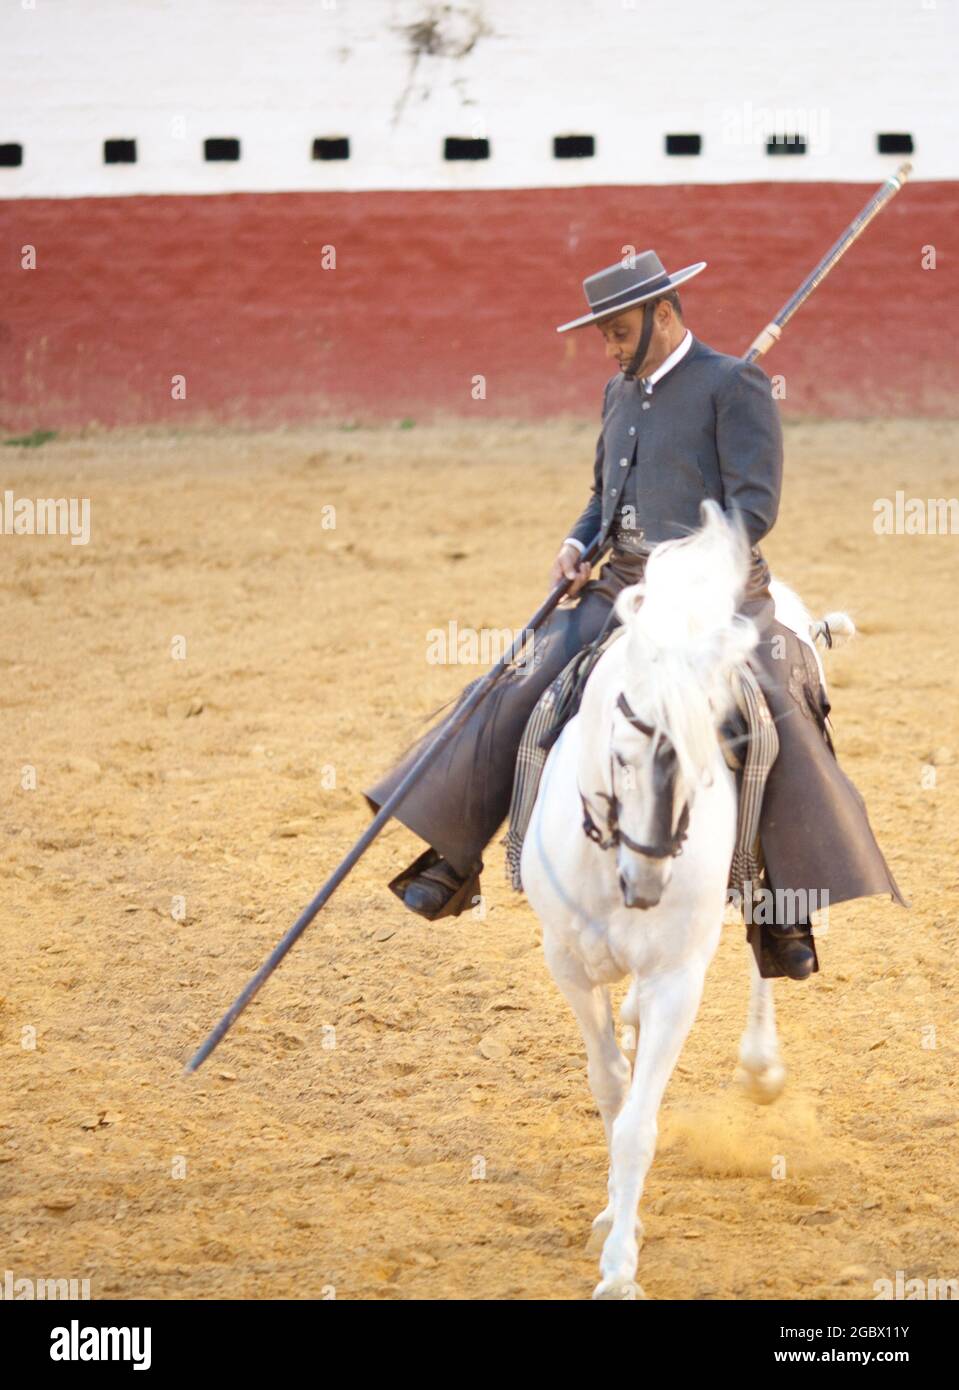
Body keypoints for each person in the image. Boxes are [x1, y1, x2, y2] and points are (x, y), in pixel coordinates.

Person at [363, 251, 906, 979]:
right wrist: (574, 543)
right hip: (618, 588)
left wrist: (691, 569)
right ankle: (455, 853)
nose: (611, 348)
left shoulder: (732, 384)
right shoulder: (618, 395)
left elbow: (754, 507)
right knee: (517, 681)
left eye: (619, 332)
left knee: (773, 707)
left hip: (719, 598)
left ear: (664, 314)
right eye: (604, 337)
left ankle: (780, 911)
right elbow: (604, 497)